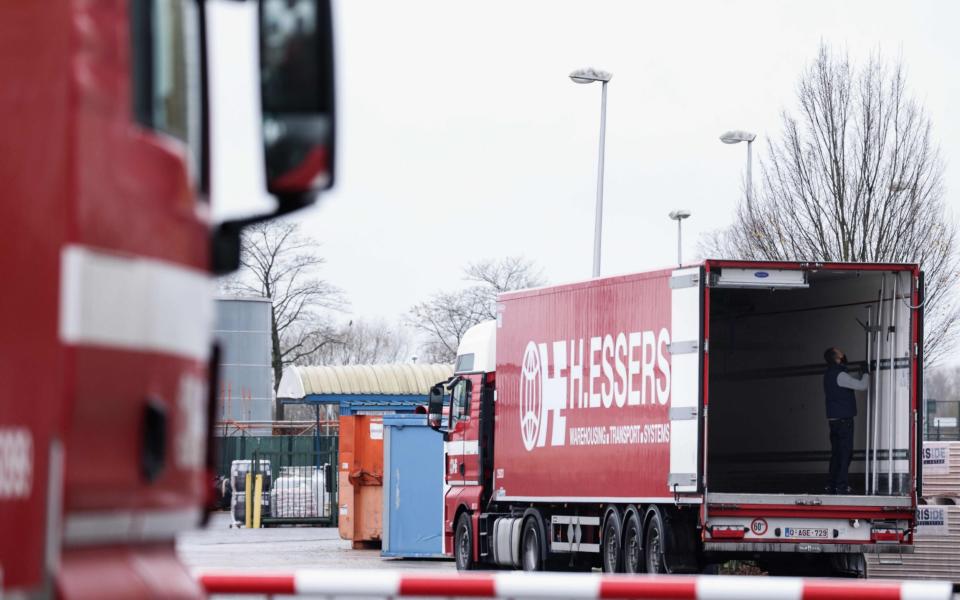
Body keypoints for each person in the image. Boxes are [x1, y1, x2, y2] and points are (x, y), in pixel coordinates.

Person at [822, 347, 869, 495]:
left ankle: (831, 485)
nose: (843, 353)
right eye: (840, 352)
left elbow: (845, 385)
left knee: (836, 454)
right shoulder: (840, 375)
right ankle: (841, 486)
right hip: (844, 422)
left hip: (834, 421)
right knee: (845, 454)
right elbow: (862, 386)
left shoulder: (828, 374)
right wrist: (866, 372)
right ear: (837, 358)